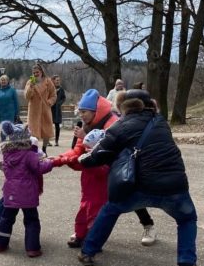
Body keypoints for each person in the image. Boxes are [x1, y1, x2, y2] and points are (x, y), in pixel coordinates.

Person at [76, 92, 204, 266]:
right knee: (187, 219)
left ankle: (88, 252)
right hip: (173, 186)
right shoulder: (161, 122)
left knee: (110, 209)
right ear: (150, 106)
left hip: (138, 187)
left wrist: (80, 158)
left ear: (123, 107)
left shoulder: (119, 126)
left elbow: (97, 156)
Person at [54, 88, 157, 246]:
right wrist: (62, 158)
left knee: (130, 196)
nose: (80, 115)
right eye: (79, 111)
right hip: (98, 169)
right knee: (93, 202)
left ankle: (148, 225)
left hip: (119, 165)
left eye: (84, 111)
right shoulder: (88, 123)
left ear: (95, 111)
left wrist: (85, 139)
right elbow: (79, 150)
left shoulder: (113, 122)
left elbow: (110, 149)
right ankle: (87, 232)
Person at [0, 121, 54, 258]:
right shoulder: (29, 154)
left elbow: (8, 171)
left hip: (10, 193)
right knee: (31, 219)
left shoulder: (7, 154)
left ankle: (0, 244)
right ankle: (32, 248)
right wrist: (50, 162)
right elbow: (40, 168)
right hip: (27, 193)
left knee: (6, 218)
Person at [50, 129, 109, 250]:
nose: (86, 150)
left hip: (98, 198)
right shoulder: (89, 158)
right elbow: (77, 164)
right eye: (85, 148)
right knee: (81, 217)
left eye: (89, 148)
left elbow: (95, 170)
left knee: (94, 221)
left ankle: (92, 243)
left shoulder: (104, 161)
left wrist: (79, 160)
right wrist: (60, 160)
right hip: (87, 195)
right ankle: (79, 236)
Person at [24, 63, 56, 154]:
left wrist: (49, 102)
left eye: (37, 72)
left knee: (46, 131)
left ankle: (44, 149)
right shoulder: (30, 82)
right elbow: (27, 96)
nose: (35, 74)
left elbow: (53, 94)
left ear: (41, 72)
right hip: (34, 111)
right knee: (33, 132)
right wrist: (31, 87)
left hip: (45, 109)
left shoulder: (48, 81)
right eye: (34, 73)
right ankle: (34, 150)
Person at [51, 75, 67, 146]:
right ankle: (47, 140)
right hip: (50, 109)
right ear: (53, 81)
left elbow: (64, 98)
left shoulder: (61, 89)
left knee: (57, 126)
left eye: (58, 80)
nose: (58, 81)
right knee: (49, 126)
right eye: (57, 80)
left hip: (57, 110)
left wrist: (59, 103)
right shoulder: (50, 88)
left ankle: (56, 141)